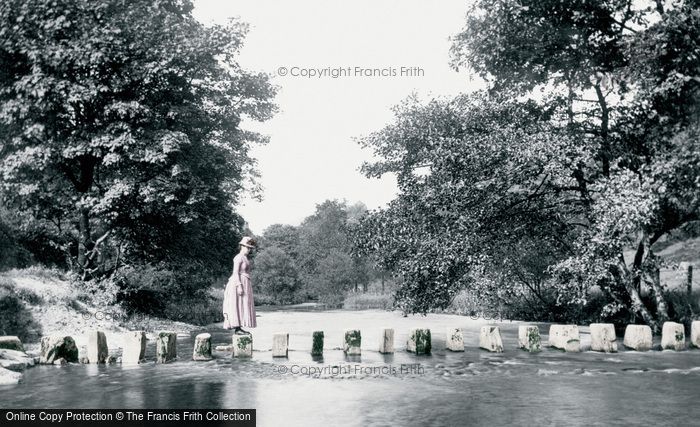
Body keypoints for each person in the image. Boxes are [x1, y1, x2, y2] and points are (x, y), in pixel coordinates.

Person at [223, 236, 257, 335]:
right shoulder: (238, 257)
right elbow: (235, 272)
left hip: (245, 281)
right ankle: (237, 327)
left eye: (250, 248)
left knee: (243, 304)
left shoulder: (245, 258)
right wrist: (239, 285)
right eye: (247, 247)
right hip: (237, 282)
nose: (249, 249)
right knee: (236, 304)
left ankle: (240, 327)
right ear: (242, 246)